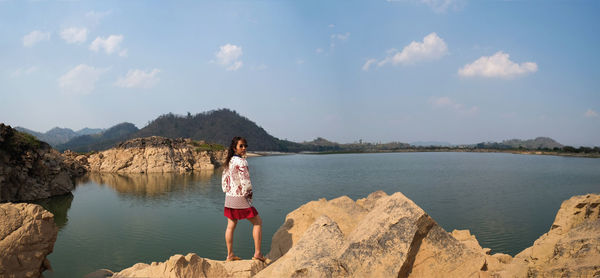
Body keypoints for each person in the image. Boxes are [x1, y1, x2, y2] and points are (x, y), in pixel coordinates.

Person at [221, 136, 266, 262]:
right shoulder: (242, 162)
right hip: (240, 197)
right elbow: (246, 182)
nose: (244, 148)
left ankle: (230, 255)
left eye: (245, 145)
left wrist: (227, 190)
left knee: (231, 225)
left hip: (229, 197)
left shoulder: (229, 161)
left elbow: (224, 180)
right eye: (241, 146)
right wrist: (249, 195)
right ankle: (258, 254)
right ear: (234, 147)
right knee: (258, 222)